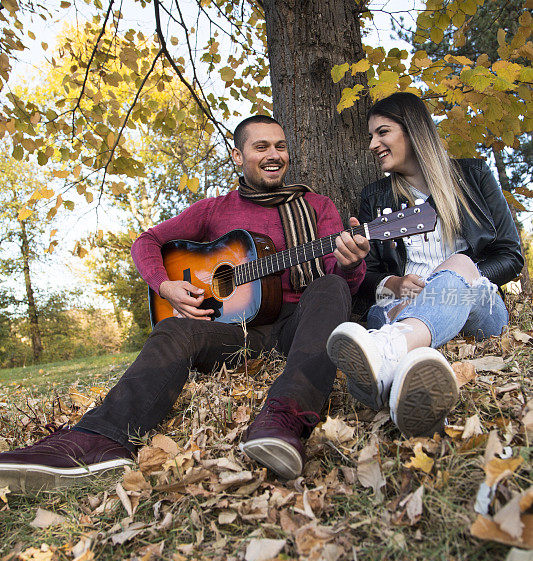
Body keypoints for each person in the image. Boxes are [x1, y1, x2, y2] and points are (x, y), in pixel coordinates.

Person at [0, 116, 369, 492]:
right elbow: (146, 242)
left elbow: (339, 278)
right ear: (238, 156)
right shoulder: (213, 210)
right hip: (237, 332)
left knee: (331, 288)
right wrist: (167, 287)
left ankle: (285, 418)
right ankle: (101, 439)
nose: (274, 155)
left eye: (280, 146)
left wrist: (350, 264)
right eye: (262, 147)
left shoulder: (316, 206)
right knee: (173, 328)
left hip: (300, 326)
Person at [327, 92, 523, 437]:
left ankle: (387, 350)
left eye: (382, 132)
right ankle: (408, 377)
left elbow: (510, 255)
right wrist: (394, 283)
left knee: (460, 262)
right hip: (402, 305)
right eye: (371, 136)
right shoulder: (376, 197)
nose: (373, 144)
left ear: (413, 130)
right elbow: (369, 275)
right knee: (384, 311)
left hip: (475, 302)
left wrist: (455, 276)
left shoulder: (473, 174)